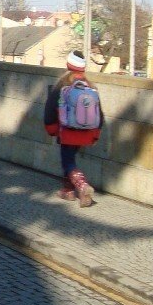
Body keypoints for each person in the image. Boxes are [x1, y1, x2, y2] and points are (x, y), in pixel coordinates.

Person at [43, 50, 104, 207]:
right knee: (69, 158)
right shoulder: (90, 87)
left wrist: (51, 129)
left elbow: (50, 109)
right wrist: (96, 134)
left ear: (68, 65)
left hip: (67, 132)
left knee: (68, 161)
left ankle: (82, 186)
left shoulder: (62, 85)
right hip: (86, 132)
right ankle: (68, 191)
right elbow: (100, 114)